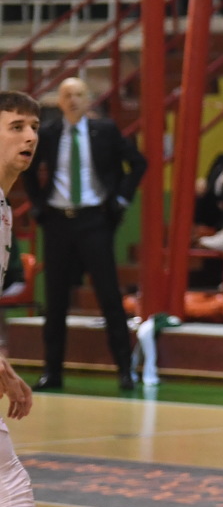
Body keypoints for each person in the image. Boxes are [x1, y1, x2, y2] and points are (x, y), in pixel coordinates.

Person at [25, 78, 146, 392]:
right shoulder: (48, 133)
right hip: (57, 222)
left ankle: (125, 370)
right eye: (67, 95)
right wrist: (38, 205)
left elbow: (138, 163)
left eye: (79, 94)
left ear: (89, 99)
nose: (73, 100)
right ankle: (52, 372)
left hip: (94, 221)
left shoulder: (105, 130)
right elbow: (28, 168)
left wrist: (121, 199)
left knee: (109, 295)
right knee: (55, 299)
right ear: (60, 101)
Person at [0, 90, 55, 507]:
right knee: (8, 487)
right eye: (16, 127)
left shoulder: (4, 208)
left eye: (34, 127)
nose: (30, 137)